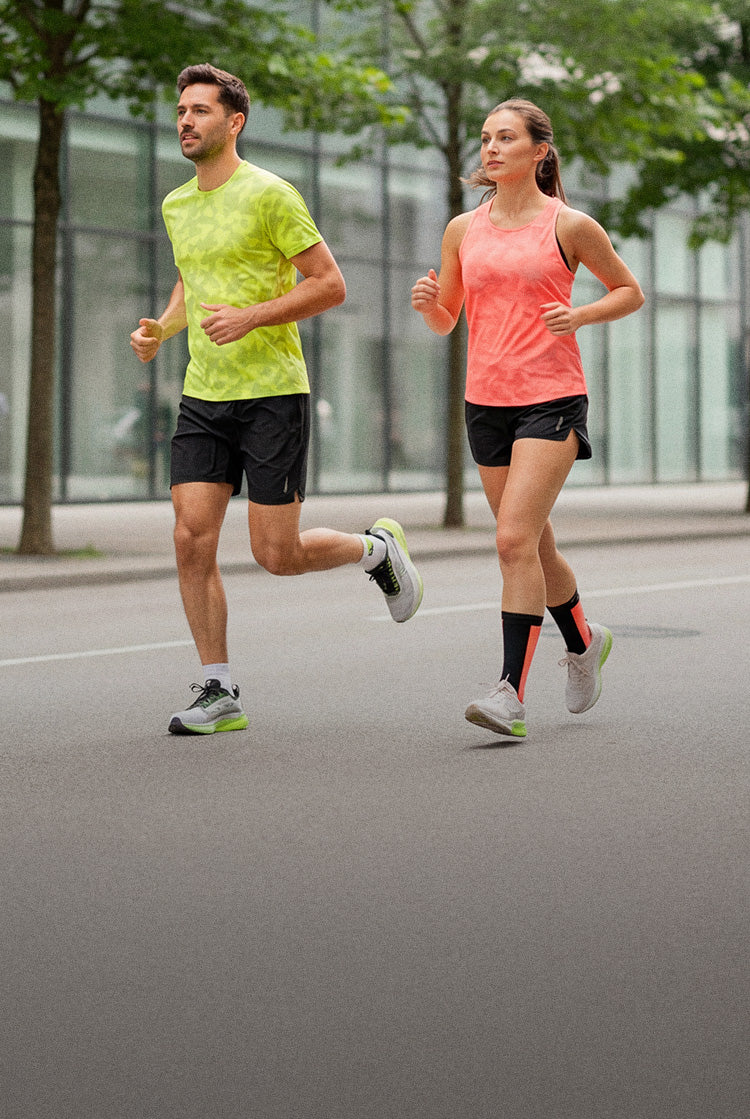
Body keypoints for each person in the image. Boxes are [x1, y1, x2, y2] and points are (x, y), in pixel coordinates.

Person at [130, 64, 422, 735]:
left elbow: (329, 283)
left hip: (272, 393)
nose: (185, 121)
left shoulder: (269, 194)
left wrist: (252, 317)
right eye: (181, 110)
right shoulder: (177, 205)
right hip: (204, 394)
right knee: (190, 538)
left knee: (276, 554)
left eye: (201, 110)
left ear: (234, 122)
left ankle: (376, 549)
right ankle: (218, 688)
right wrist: (161, 329)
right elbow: (191, 283)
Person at [411, 98, 644, 739]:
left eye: (506, 138)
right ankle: (584, 640)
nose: (490, 148)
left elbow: (630, 291)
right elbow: (447, 319)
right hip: (485, 402)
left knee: (512, 540)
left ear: (539, 151)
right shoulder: (463, 229)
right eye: (486, 138)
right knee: (534, 543)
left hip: (552, 397)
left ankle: (509, 693)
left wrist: (581, 315)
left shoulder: (570, 225)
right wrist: (430, 305)